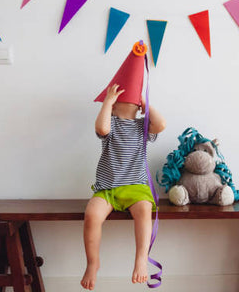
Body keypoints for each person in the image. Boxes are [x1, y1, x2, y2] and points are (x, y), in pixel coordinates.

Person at [81, 42, 166, 291]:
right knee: (91, 216)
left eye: (128, 103)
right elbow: (101, 128)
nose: (121, 106)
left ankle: (141, 259)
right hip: (107, 189)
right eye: (116, 105)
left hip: (136, 188)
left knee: (143, 212)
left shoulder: (142, 128)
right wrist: (107, 101)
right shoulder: (111, 126)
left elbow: (160, 125)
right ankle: (92, 263)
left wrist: (145, 103)